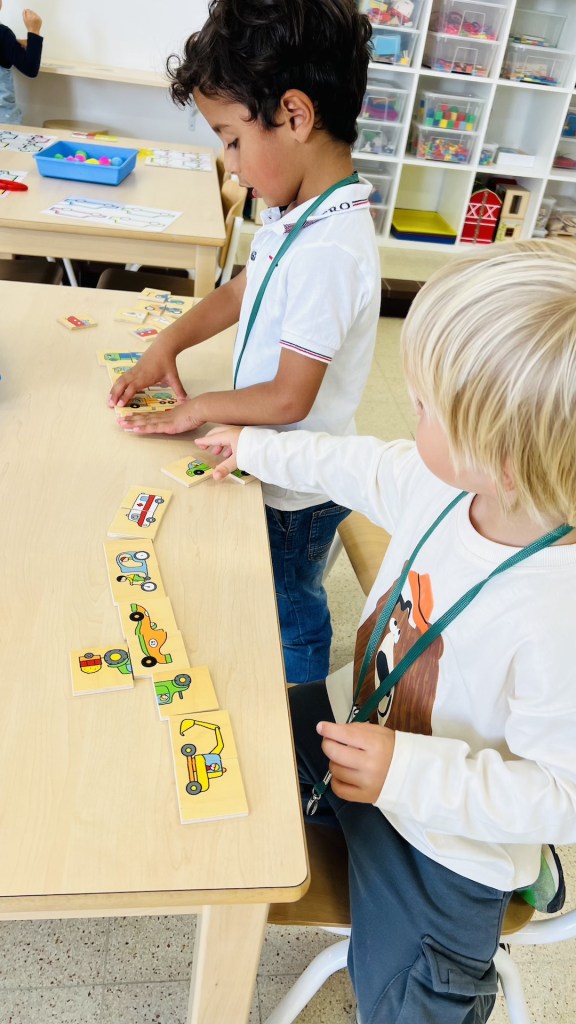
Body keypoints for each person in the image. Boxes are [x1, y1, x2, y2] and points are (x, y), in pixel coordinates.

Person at [194, 239, 576, 1024]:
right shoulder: (449, 484)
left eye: (425, 407)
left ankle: (507, 895)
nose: (410, 411)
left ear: (501, 458)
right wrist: (253, 445)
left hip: (441, 844)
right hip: (356, 730)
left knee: (406, 1004)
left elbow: (563, 796)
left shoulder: (556, 615)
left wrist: (408, 772)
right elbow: (358, 465)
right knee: (226, 725)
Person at [109, 0, 381, 685]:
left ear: (294, 116)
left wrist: (200, 409)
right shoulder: (299, 211)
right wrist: (170, 341)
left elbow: (290, 398)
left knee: (290, 605)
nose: (230, 166)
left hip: (296, 486)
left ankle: (299, 709)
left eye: (231, 139)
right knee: (262, 585)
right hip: (270, 456)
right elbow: (243, 290)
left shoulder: (330, 249)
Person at [0, 4, 43, 124]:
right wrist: (34, 30)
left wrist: (13, 42)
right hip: (3, 121)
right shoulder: (3, 34)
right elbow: (31, 69)